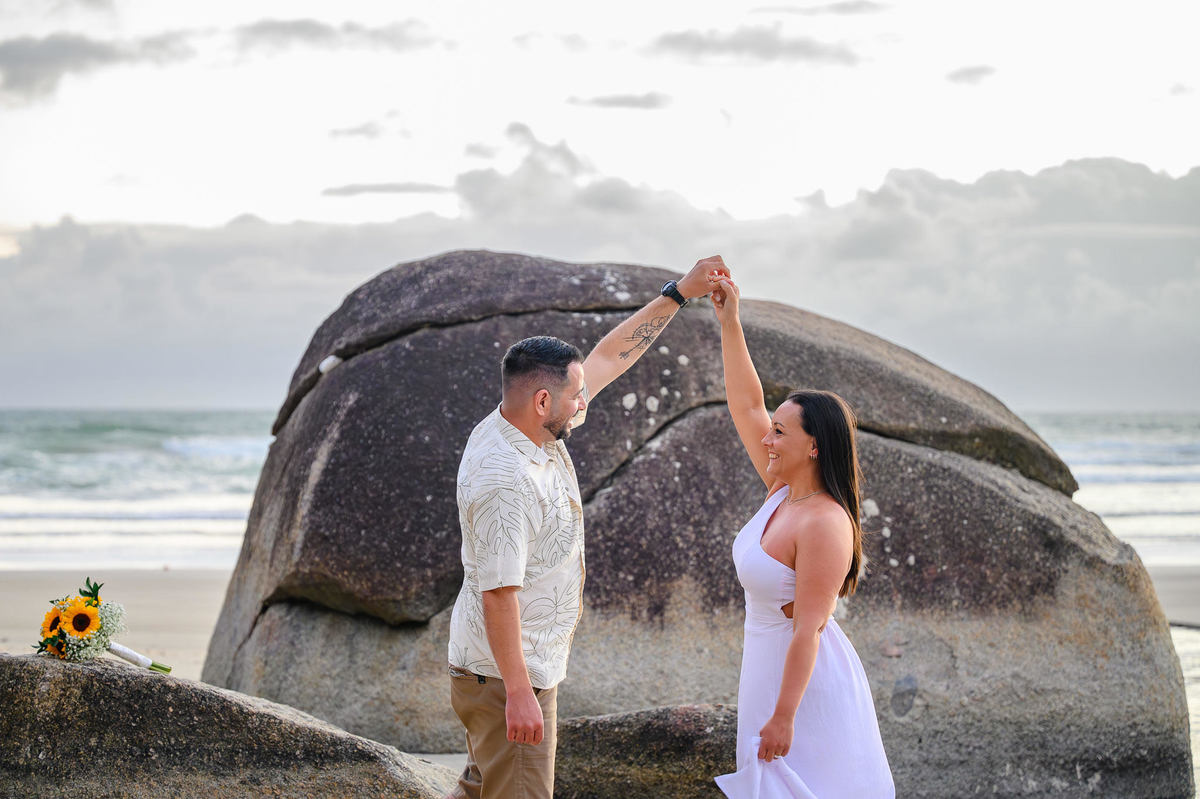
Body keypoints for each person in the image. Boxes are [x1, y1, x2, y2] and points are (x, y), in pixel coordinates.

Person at [445, 257, 731, 799]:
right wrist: (519, 693)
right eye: (575, 397)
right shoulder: (505, 479)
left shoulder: (527, 423)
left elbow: (606, 359)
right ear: (542, 400)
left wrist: (678, 293)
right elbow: (498, 595)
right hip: (509, 674)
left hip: (495, 669)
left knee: (482, 790)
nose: (585, 404)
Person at [709, 270, 895, 798]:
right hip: (766, 671)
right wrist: (730, 323)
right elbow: (746, 405)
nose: (767, 436)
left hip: (806, 689)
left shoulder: (826, 522)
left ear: (814, 446)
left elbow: (810, 628)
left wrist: (784, 715)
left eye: (781, 431)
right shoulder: (780, 489)